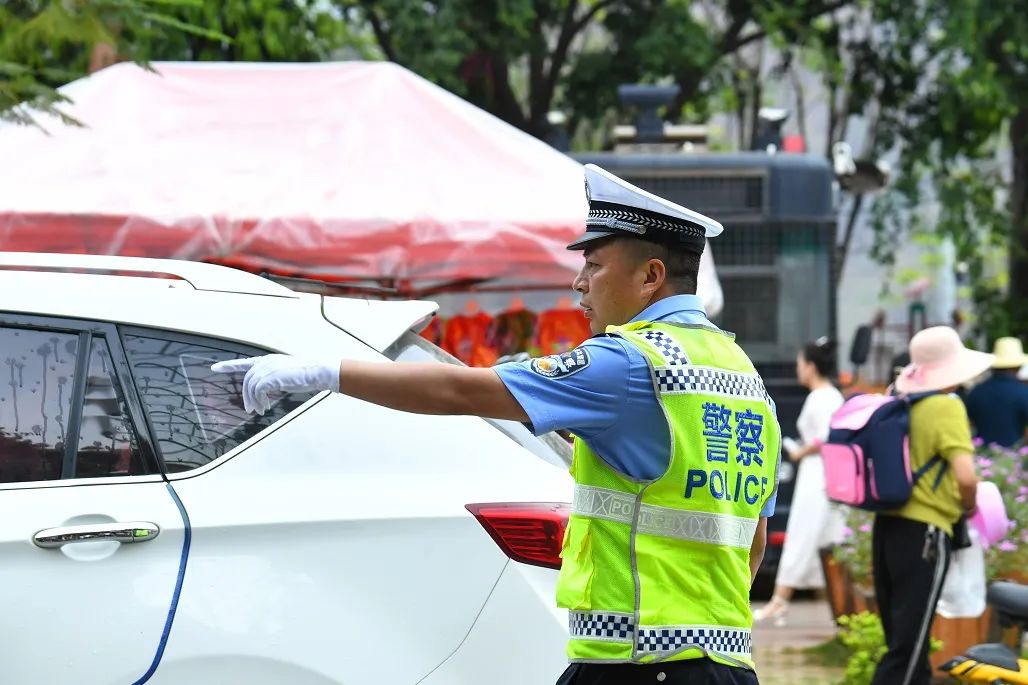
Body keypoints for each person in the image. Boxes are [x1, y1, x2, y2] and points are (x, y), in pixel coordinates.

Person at [212, 164, 781, 685]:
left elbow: (461, 389)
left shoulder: (628, 362)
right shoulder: (744, 377)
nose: (580, 284)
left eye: (594, 264)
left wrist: (320, 370)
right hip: (726, 666)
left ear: (650, 276)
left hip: (636, 667)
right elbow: (751, 543)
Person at [872, 326, 988, 685]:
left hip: (886, 527)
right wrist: (969, 506)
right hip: (924, 533)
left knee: (905, 641)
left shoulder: (898, 402)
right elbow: (966, 477)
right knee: (908, 649)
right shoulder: (946, 408)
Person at [753, 337, 845, 625]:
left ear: (811, 366)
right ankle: (822, 604)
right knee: (819, 534)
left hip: (819, 471)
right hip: (816, 470)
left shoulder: (824, 397)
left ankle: (780, 600)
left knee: (808, 532)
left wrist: (801, 450)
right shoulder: (827, 396)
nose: (798, 370)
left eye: (800, 364)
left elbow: (828, 436)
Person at [964, 336, 1028, 447]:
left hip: (983, 459)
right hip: (1014, 458)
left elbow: (967, 427)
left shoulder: (976, 392)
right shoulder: (1023, 392)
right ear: (1018, 366)